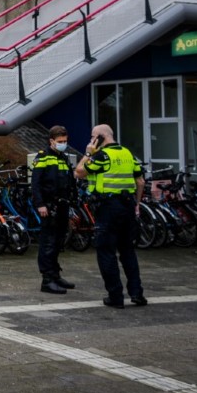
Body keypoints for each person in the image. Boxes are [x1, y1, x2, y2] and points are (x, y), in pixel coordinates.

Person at [74, 123, 146, 308]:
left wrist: (88, 152)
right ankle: (137, 293)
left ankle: (116, 296)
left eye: (92, 137)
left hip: (108, 209)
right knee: (128, 251)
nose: (91, 140)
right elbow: (140, 181)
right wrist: (137, 204)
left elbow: (79, 172)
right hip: (127, 206)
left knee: (106, 252)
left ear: (100, 138)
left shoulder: (102, 156)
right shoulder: (127, 154)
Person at [30, 125, 76, 295]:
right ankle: (47, 280)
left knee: (58, 242)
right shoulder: (43, 157)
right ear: (51, 141)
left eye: (65, 141)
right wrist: (40, 204)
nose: (63, 143)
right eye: (60, 141)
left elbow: (69, 180)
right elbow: (36, 183)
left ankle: (55, 275)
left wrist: (73, 200)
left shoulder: (63, 157)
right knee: (48, 243)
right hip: (49, 206)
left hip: (63, 205)